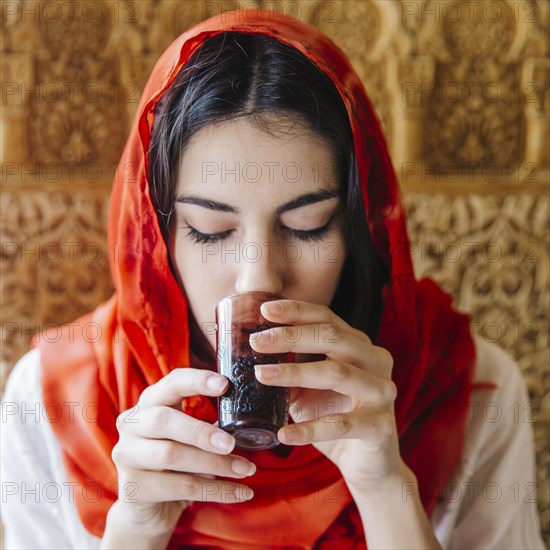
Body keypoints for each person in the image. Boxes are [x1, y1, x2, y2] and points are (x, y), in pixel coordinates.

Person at [1, 9, 545, 550]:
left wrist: (385, 490)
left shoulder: (465, 390)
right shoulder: (54, 403)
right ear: (157, 238)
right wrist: (135, 530)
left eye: (306, 227)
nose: (257, 280)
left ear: (357, 226)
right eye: (210, 231)